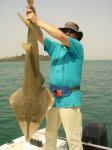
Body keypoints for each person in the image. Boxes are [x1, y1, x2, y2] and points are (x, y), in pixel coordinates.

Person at [26, 4, 84, 150]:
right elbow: (40, 37)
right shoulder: (56, 48)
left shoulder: (77, 47)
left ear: (77, 36)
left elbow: (59, 35)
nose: (68, 33)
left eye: (72, 32)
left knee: (74, 141)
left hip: (69, 100)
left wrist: (38, 20)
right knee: (50, 135)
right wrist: (34, 19)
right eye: (67, 31)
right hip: (53, 99)